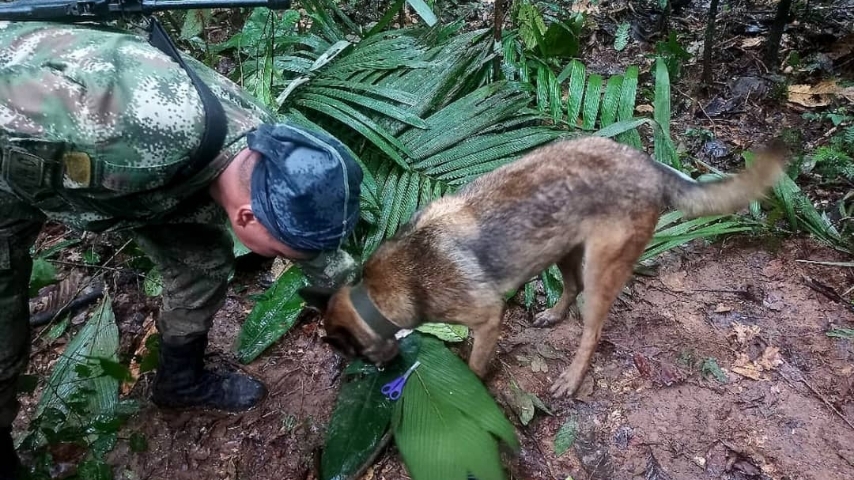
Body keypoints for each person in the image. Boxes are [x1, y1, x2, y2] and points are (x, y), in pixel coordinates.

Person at [0, 19, 363, 478]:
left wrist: (362, 311)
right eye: (283, 252)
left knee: (203, 262)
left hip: (107, 160)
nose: (286, 259)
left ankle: (180, 380)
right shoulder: (134, 147)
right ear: (246, 217)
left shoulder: (271, 150)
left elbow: (316, 248)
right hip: (16, 141)